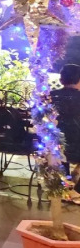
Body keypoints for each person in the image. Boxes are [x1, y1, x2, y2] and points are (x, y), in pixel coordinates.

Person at [51, 64, 80, 199]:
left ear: (61, 80)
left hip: (55, 148)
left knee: (61, 144)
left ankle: (65, 183)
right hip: (76, 148)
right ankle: (77, 191)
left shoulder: (51, 96)